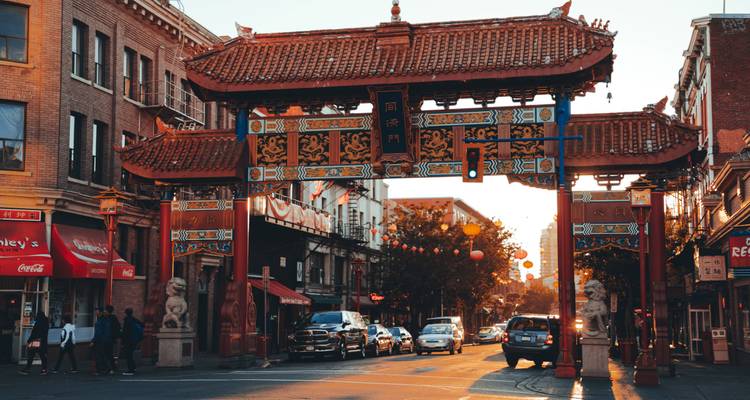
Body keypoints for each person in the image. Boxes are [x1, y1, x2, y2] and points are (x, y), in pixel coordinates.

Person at [19, 311, 49, 375]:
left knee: (31, 355)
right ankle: (44, 369)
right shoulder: (46, 322)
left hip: (35, 342)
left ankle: (27, 369)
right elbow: (45, 333)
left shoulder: (38, 322)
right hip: (42, 342)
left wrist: (29, 340)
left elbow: (34, 333)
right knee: (43, 356)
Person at [120, 308, 142, 375]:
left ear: (126, 313)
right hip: (134, 340)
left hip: (128, 340)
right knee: (130, 355)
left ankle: (130, 370)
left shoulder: (127, 320)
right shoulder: (134, 319)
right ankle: (133, 367)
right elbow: (142, 324)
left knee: (128, 355)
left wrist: (123, 342)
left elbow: (125, 332)